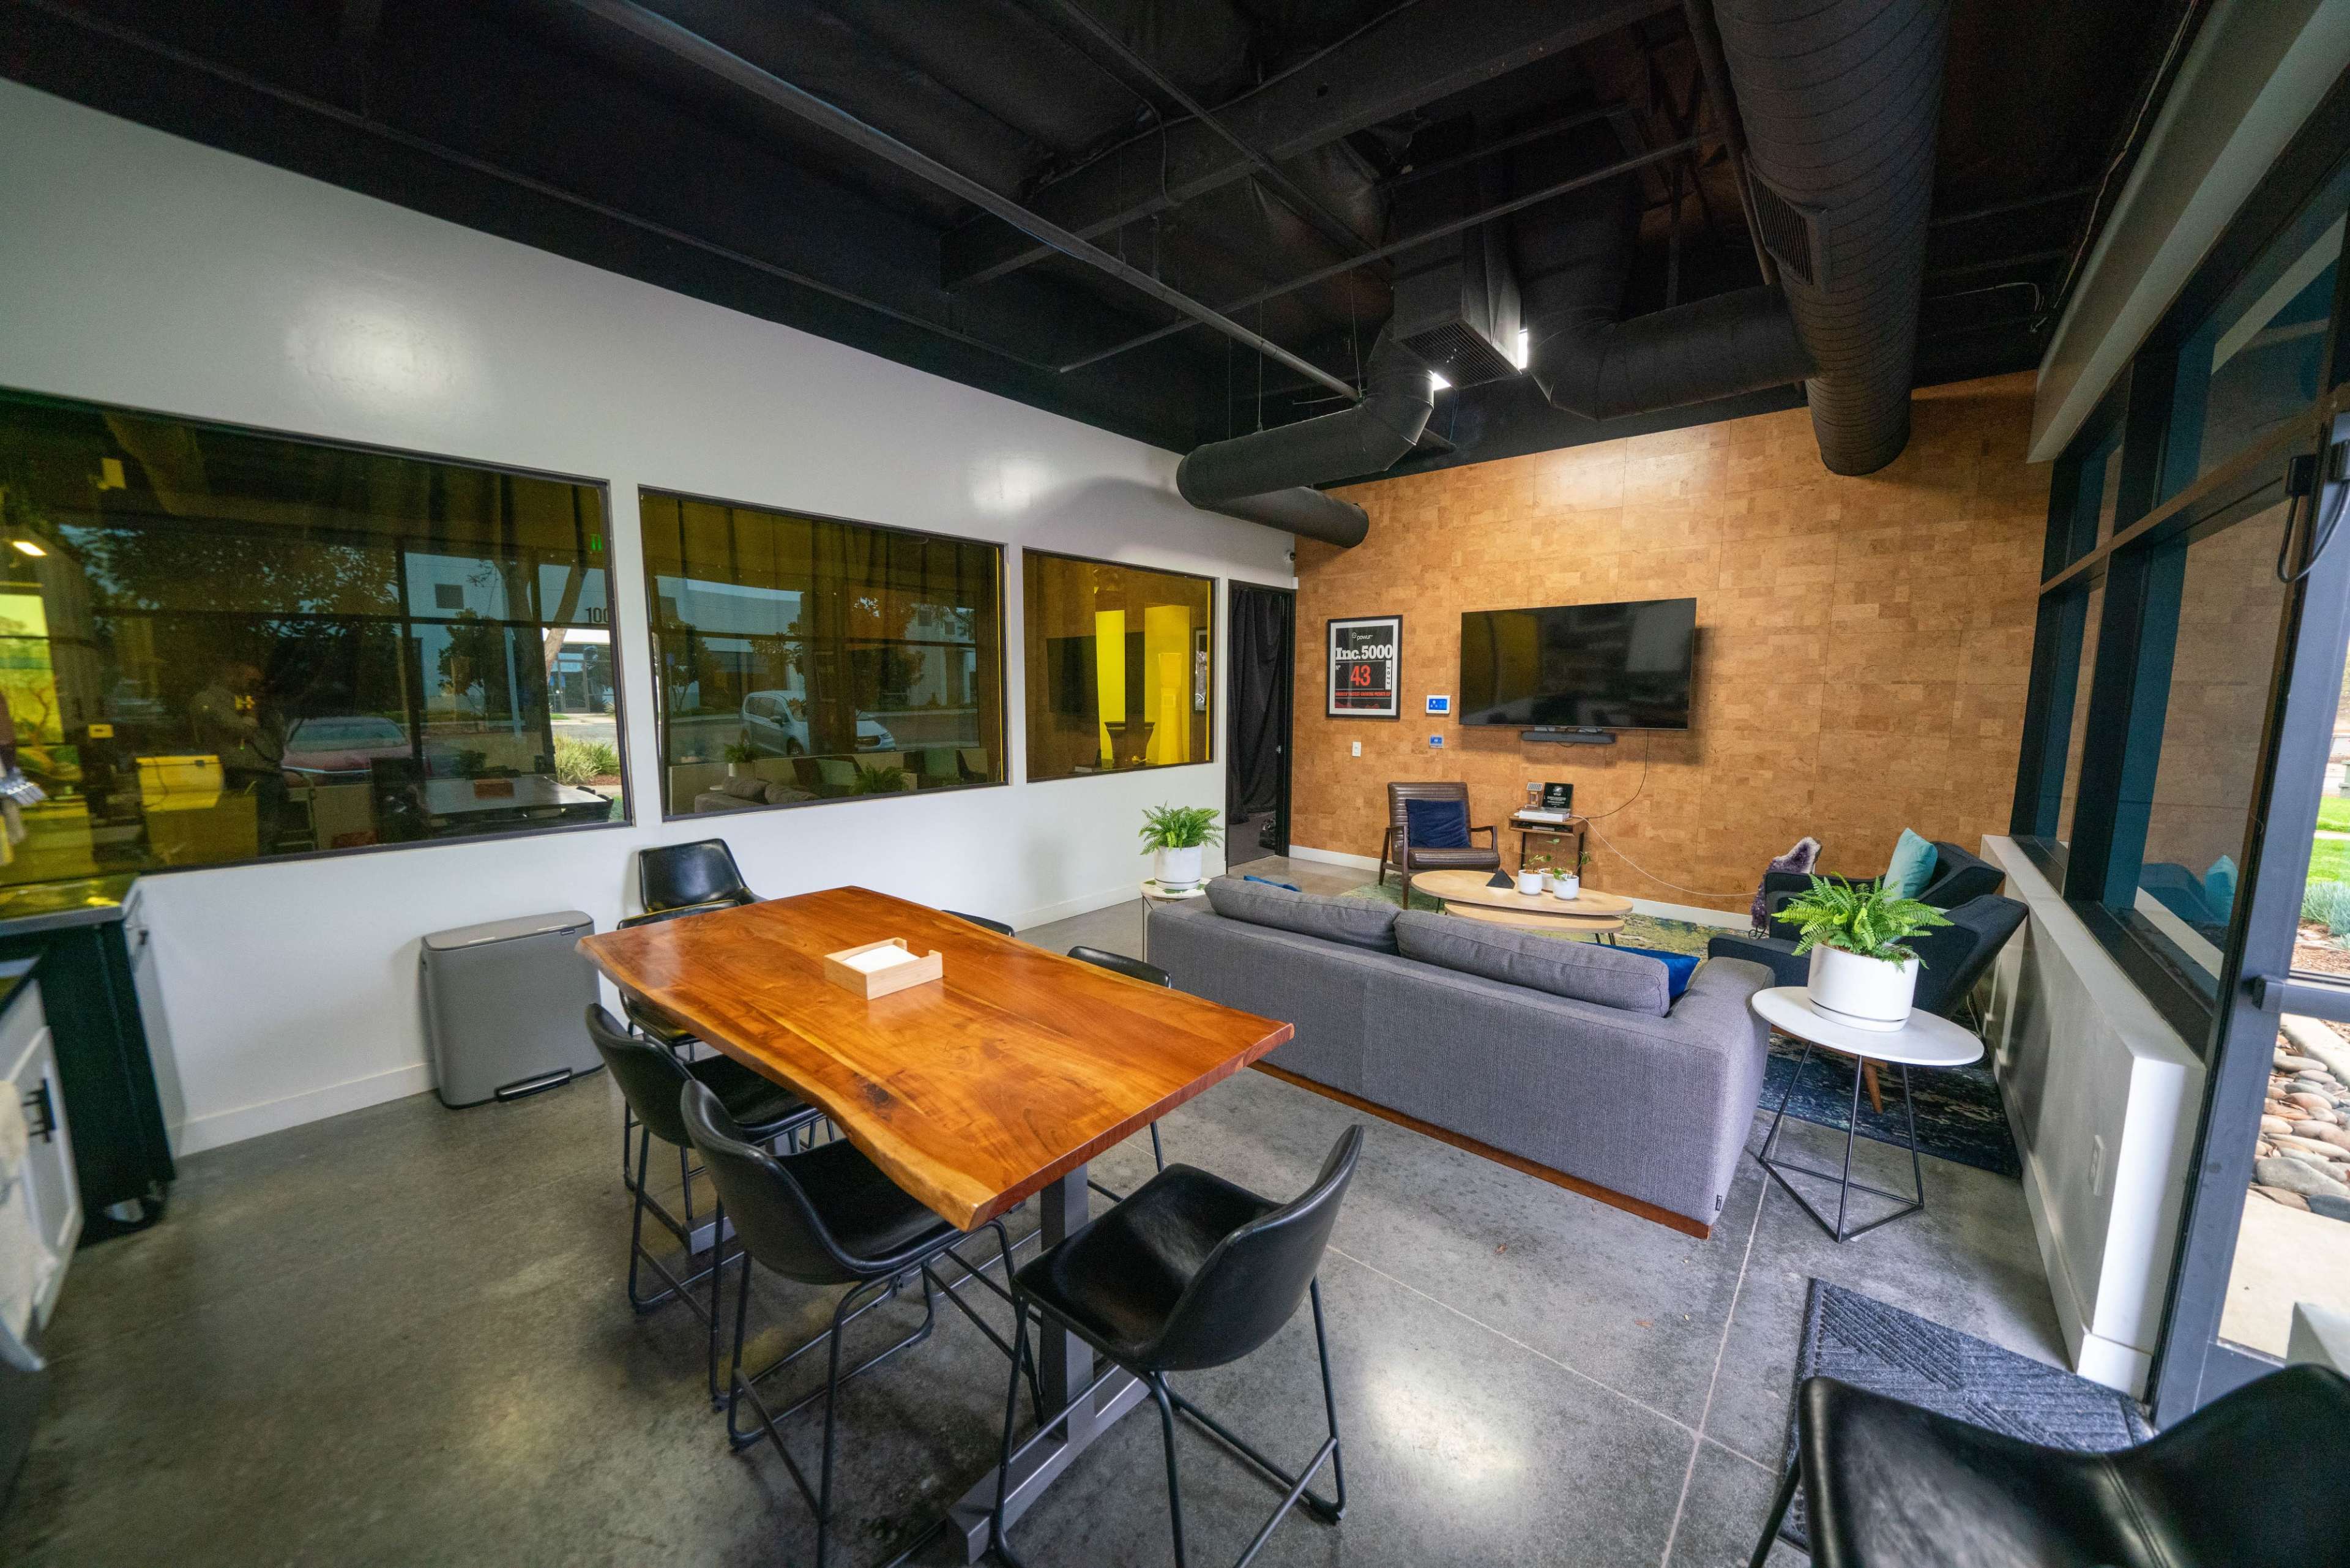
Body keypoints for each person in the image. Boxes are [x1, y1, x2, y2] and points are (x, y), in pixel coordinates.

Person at [187, 660, 286, 847]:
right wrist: (252, 708)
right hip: (245, 774)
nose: (257, 687)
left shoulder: (249, 703)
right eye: (252, 682)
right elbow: (242, 730)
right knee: (257, 836)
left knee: (274, 835)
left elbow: (278, 739)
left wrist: (267, 706)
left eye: (259, 683)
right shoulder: (208, 701)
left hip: (271, 773)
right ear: (232, 677)